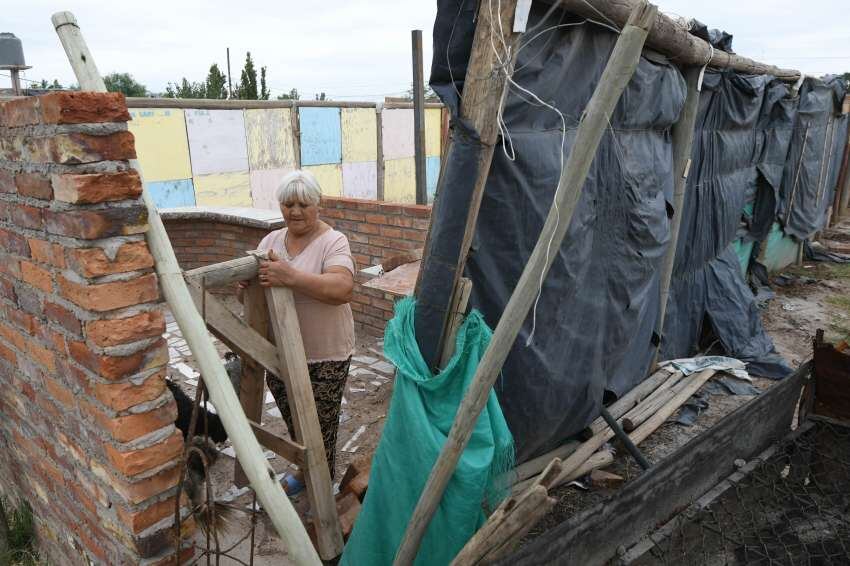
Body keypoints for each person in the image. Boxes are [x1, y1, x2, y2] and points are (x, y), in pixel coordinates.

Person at [238, 170, 355, 495]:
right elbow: (251, 294)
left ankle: (321, 487)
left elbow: (343, 288)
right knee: (294, 420)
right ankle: (306, 474)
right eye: (288, 204)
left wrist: (290, 276)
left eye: (303, 204)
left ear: (318, 205)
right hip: (279, 352)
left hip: (325, 354)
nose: (295, 211)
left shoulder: (333, 241)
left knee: (321, 428)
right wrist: (245, 288)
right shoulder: (270, 241)